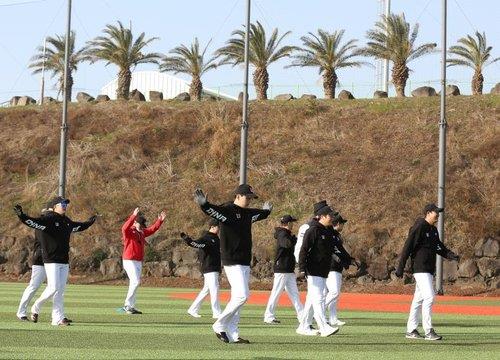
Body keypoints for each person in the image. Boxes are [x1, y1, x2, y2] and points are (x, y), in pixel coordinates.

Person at [194, 184, 272, 344]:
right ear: (238, 196)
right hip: (232, 260)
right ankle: (219, 324)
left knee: (238, 298)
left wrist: (267, 212)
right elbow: (213, 210)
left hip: (244, 260)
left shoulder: (248, 213)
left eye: (251, 198)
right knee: (242, 295)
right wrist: (204, 205)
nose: (250, 200)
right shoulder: (228, 211)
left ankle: (234, 334)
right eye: (247, 197)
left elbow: (259, 214)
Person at [13, 196, 96, 326]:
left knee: (60, 290)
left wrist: (89, 223)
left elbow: (77, 226)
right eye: (61, 203)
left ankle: (57, 318)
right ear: (53, 207)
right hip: (47, 259)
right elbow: (32, 221)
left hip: (63, 260)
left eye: (65, 204)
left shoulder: (66, 221)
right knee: (49, 288)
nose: (64, 205)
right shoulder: (48, 219)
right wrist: (22, 216)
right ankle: (31, 308)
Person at [396, 203, 459, 341]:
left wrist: (450, 254)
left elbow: (438, 246)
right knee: (429, 297)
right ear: (428, 213)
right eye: (435, 212)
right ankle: (428, 331)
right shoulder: (419, 226)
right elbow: (408, 245)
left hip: (428, 269)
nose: (438, 214)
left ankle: (411, 329)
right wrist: (400, 266)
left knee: (418, 299)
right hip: (420, 268)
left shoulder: (433, 230)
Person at [296, 202, 350, 337]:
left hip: (323, 270)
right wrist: (302, 268)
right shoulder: (312, 230)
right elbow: (303, 250)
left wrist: (346, 258)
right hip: (313, 270)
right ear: (322, 216)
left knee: (311, 299)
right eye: (330, 215)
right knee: (319, 297)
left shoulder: (329, 231)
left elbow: (337, 247)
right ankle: (323, 326)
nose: (332, 218)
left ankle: (303, 326)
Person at [121, 207, 166, 314]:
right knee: (135, 282)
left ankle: (131, 306)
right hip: (129, 260)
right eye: (140, 225)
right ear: (135, 223)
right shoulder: (130, 232)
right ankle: (127, 305)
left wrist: (160, 220)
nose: (142, 227)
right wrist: (133, 216)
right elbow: (124, 228)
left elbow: (152, 229)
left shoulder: (141, 232)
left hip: (138, 261)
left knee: (135, 283)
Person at [263, 215, 303, 325]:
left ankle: (302, 315)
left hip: (287, 268)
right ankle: (268, 316)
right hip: (282, 268)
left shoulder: (284, 233)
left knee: (294, 294)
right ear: (288, 223)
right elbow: (286, 244)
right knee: (276, 292)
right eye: (292, 222)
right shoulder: (282, 233)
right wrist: (295, 239)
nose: (293, 224)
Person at [181, 218, 222, 319]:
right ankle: (216, 313)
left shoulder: (216, 238)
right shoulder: (206, 238)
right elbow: (195, 244)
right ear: (212, 227)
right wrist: (187, 239)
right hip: (209, 267)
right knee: (214, 289)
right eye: (218, 227)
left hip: (214, 267)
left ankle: (193, 309)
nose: (219, 228)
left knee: (207, 290)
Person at [325, 213, 357, 327]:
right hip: (331, 267)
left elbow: (341, 250)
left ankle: (333, 318)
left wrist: (349, 260)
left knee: (334, 294)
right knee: (334, 292)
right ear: (338, 223)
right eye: (342, 223)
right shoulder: (330, 234)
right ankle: (318, 311)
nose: (343, 226)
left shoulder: (336, 235)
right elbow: (335, 251)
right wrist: (343, 260)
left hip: (336, 267)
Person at [16, 210, 48, 321]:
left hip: (53, 259)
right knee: (34, 286)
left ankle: (58, 315)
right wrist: (22, 215)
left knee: (56, 288)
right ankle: (21, 312)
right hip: (41, 259)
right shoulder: (42, 225)